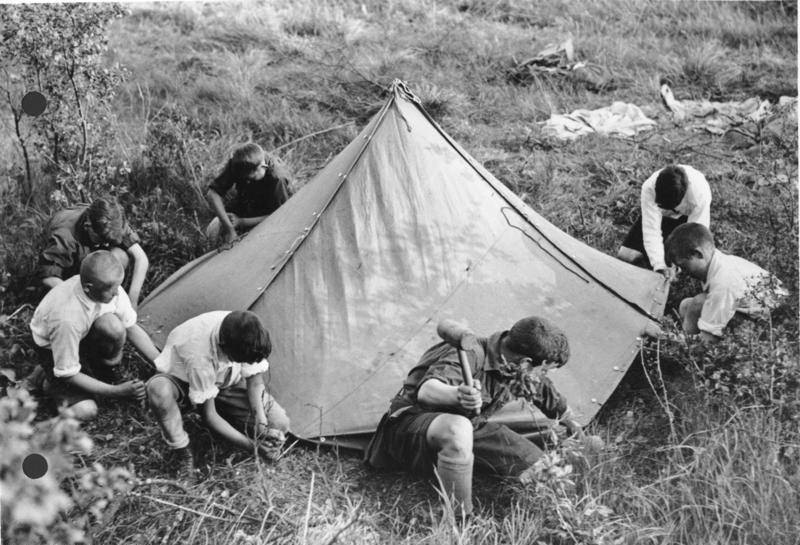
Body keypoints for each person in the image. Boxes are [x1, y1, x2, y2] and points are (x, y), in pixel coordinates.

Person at [365, 316, 587, 517]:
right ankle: (459, 518)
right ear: (526, 363)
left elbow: (553, 401)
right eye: (545, 370)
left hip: (471, 429)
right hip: (409, 429)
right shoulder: (471, 354)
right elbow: (427, 391)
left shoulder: (517, 369)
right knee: (458, 428)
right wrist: (456, 395)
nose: (543, 375)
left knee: (544, 471)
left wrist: (575, 429)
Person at [146, 310, 290, 479]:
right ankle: (183, 452)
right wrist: (253, 447)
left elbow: (255, 382)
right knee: (159, 389)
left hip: (227, 382)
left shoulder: (247, 332)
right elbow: (209, 415)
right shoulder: (198, 353)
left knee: (280, 423)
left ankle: (231, 419)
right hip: (186, 382)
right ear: (224, 348)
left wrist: (262, 425)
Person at [29, 250, 161, 420]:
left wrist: (162, 364)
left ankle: (104, 371)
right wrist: (116, 392)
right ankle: (49, 381)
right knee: (87, 410)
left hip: (81, 336)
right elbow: (69, 374)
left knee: (114, 327)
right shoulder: (66, 318)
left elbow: (131, 327)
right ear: (88, 288)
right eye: (111, 291)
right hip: (53, 350)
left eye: (117, 287)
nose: (117, 294)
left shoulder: (110, 288)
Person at [665, 223, 787, 343]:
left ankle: (686, 352)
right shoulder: (719, 262)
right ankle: (685, 343)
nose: (681, 272)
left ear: (698, 254)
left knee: (698, 303)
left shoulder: (724, 280)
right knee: (686, 305)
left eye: (683, 265)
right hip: (755, 313)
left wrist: (670, 338)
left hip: (773, 325)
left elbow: (709, 338)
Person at [39, 197, 150, 308]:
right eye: (103, 239)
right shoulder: (65, 236)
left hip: (91, 255)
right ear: (89, 227)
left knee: (120, 256)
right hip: (71, 266)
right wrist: (79, 301)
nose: (106, 244)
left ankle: (110, 299)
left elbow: (141, 258)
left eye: (109, 241)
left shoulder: (112, 220)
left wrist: (133, 301)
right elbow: (48, 277)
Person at [617, 165, 711, 280]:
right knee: (626, 255)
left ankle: (666, 257)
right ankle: (654, 258)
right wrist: (659, 265)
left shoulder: (700, 194)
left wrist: (677, 265)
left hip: (684, 222)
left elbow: (695, 233)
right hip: (660, 217)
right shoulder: (649, 187)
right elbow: (651, 229)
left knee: (679, 263)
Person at [205, 143, 292, 244]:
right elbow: (212, 194)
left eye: (252, 178)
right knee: (212, 231)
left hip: (268, 219)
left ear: (263, 166)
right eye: (244, 178)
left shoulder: (277, 179)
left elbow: (281, 216)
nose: (247, 180)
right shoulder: (240, 164)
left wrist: (242, 222)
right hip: (244, 208)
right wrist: (229, 228)